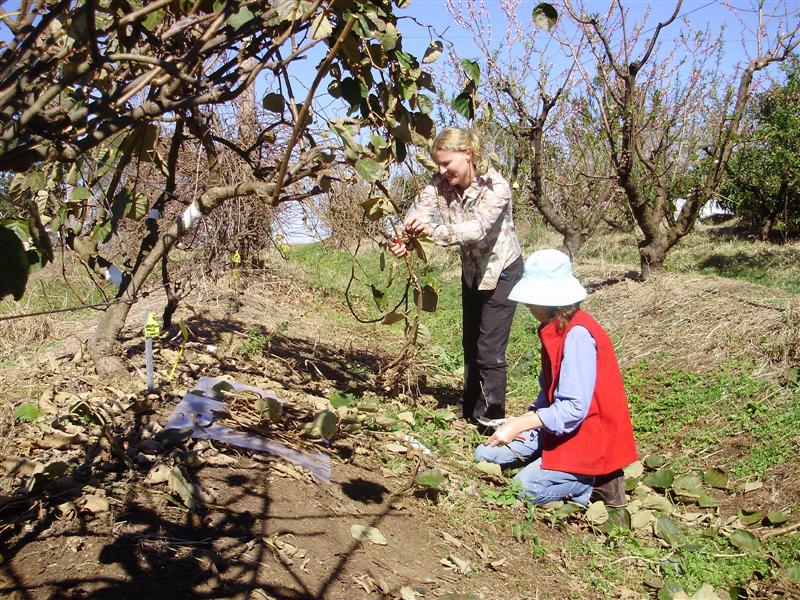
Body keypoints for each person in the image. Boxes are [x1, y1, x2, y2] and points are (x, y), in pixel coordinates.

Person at [474, 249, 637, 506]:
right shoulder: (556, 329)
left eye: (531, 298)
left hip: (588, 436)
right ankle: (554, 466)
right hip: (561, 428)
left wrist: (521, 425)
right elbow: (549, 391)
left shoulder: (578, 336)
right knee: (484, 454)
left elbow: (573, 409)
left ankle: (594, 484)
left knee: (524, 488)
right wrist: (528, 417)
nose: (526, 304)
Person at [390, 127, 522, 428]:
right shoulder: (439, 185)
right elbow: (419, 213)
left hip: (502, 272)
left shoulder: (497, 187)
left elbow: (476, 229)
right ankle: (469, 410)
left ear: (467, 155)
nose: (441, 170)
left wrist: (431, 233)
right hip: (472, 273)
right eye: (438, 164)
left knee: (489, 349)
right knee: (470, 342)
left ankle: (491, 420)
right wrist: (402, 237)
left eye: (446, 163)